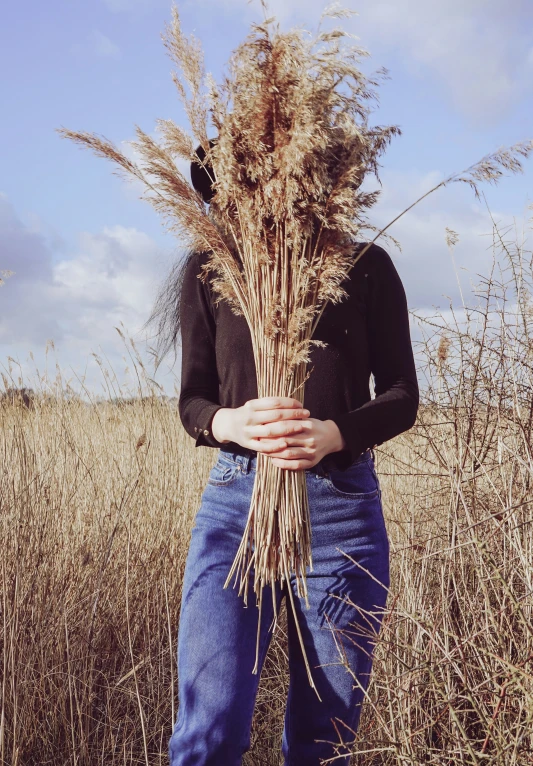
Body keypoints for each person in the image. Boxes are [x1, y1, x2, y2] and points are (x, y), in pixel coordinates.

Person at [159, 144, 419, 765]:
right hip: (235, 504)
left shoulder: (365, 264)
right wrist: (229, 422)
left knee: (322, 741)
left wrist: (338, 434)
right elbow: (192, 399)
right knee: (210, 729)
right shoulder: (211, 268)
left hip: (341, 513)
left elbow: (404, 396)